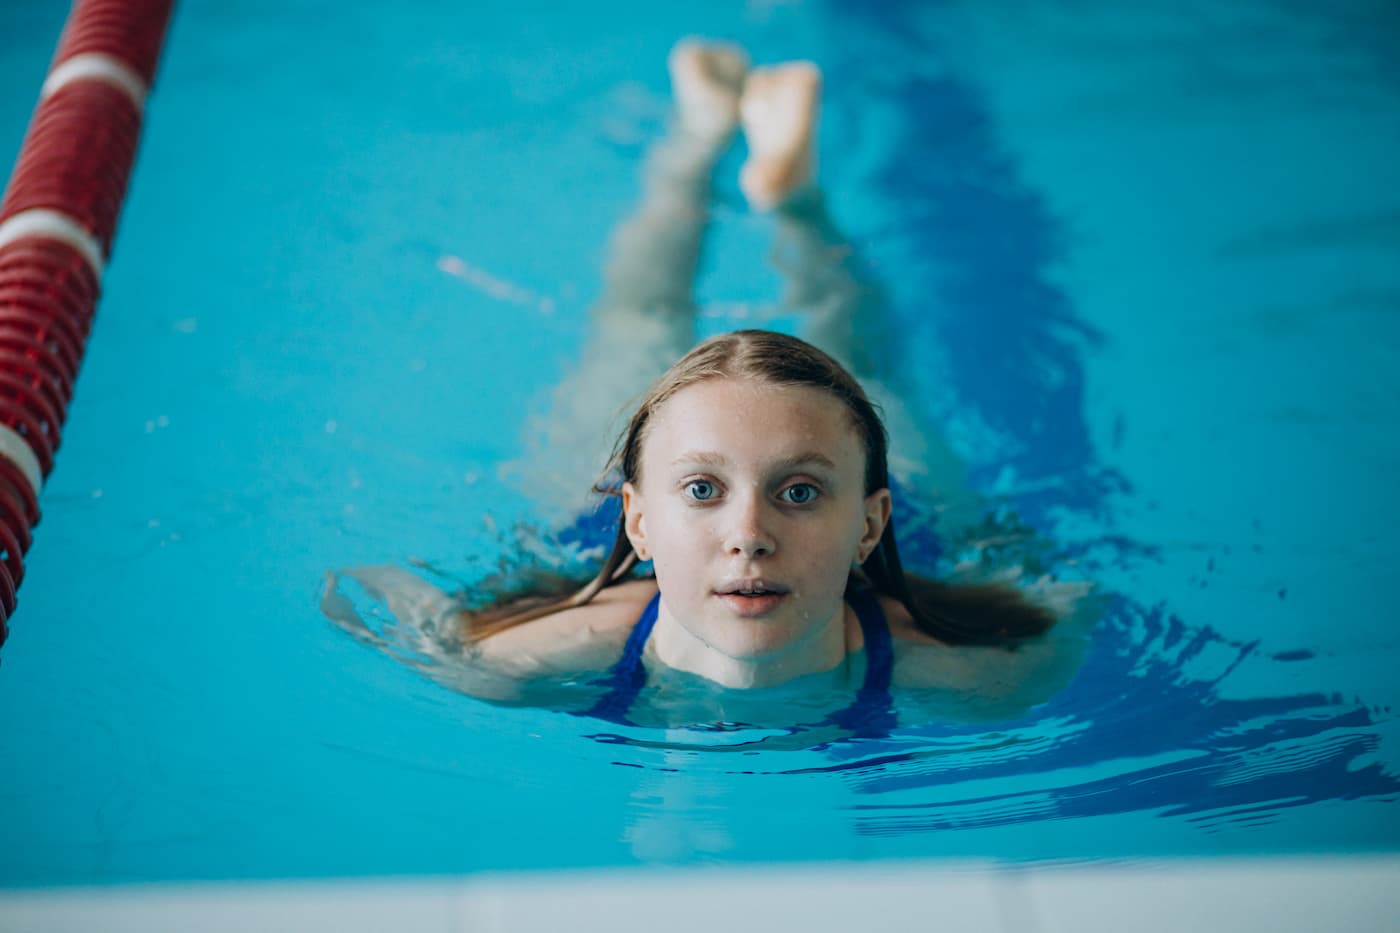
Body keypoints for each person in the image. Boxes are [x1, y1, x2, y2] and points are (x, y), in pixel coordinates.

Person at [325, 41, 1093, 730]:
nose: (748, 532)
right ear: (638, 521)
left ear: (868, 522)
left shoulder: (985, 676)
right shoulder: (520, 657)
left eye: (796, 492)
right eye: (701, 491)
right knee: (643, 320)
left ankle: (795, 198)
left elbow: (1072, 611)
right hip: (589, 542)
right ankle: (693, 151)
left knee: (855, 357)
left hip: (906, 538)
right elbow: (368, 591)